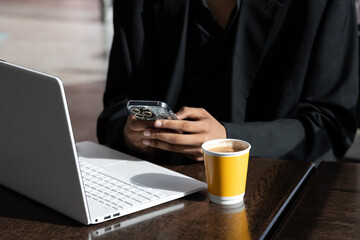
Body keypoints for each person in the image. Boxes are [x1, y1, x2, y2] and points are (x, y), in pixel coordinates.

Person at [97, 0, 359, 166]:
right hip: (152, 190)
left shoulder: (322, 5)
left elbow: (332, 124)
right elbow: (115, 109)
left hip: (277, 195)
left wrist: (229, 140)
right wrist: (129, 133)